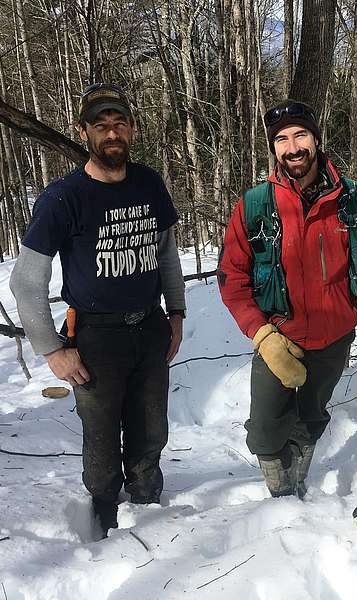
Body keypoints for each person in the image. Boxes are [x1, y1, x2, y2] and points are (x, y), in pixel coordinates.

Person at [10, 83, 186, 537]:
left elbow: (165, 253)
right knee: (102, 438)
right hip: (94, 338)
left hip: (148, 328)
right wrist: (52, 350)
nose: (112, 133)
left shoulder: (148, 182)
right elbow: (27, 281)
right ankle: (105, 515)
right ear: (84, 131)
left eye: (120, 124)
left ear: (131, 130)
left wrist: (177, 313)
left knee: (151, 430)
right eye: (101, 126)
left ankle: (147, 506)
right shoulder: (63, 197)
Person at [218, 99, 357, 498]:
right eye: (281, 139)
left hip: (334, 337)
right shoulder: (255, 205)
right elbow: (232, 279)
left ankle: (296, 486)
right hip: (279, 336)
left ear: (316, 139)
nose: (293, 146)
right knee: (264, 430)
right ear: (273, 148)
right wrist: (262, 335)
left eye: (300, 135)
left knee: (312, 417)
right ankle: (278, 494)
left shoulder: (353, 199)